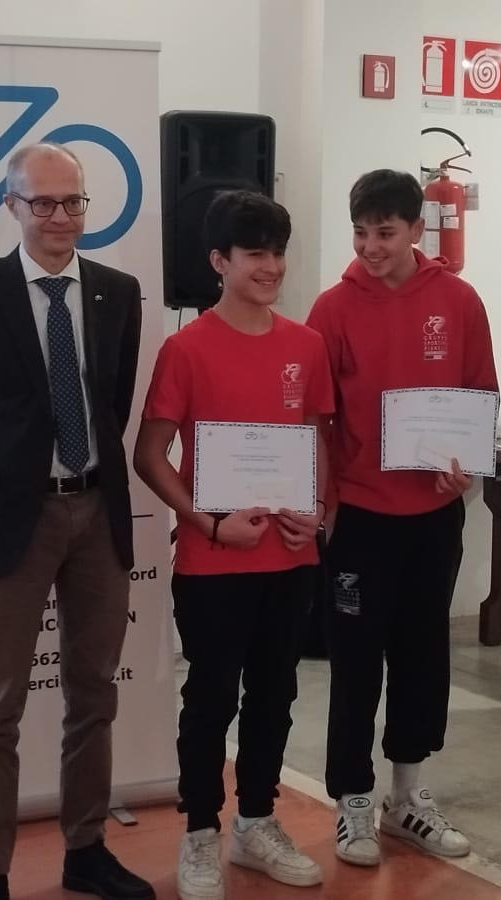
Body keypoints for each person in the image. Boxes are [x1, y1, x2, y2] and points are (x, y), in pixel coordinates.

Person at [0, 143, 153, 900]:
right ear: (12, 206)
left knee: (94, 694)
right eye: (43, 202)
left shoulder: (117, 292)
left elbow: (112, 403)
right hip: (11, 524)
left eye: (73, 201)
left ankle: (85, 849)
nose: (60, 217)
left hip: (98, 513)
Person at [135, 190, 331, 900]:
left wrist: (318, 513)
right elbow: (149, 455)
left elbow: (316, 440)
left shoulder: (305, 345)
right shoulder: (185, 348)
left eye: (277, 253)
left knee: (275, 695)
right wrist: (208, 522)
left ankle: (255, 822)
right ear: (219, 261)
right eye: (254, 254)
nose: (270, 266)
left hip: (290, 558)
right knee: (211, 698)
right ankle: (199, 832)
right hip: (214, 561)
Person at [305, 169, 495, 867]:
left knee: (423, 655)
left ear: (417, 229)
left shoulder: (459, 301)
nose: (370, 247)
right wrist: (323, 505)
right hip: (358, 518)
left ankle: (407, 797)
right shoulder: (331, 308)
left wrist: (464, 465)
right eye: (360, 233)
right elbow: (318, 418)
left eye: (385, 233)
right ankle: (353, 801)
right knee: (355, 664)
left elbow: (479, 396)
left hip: (434, 517)